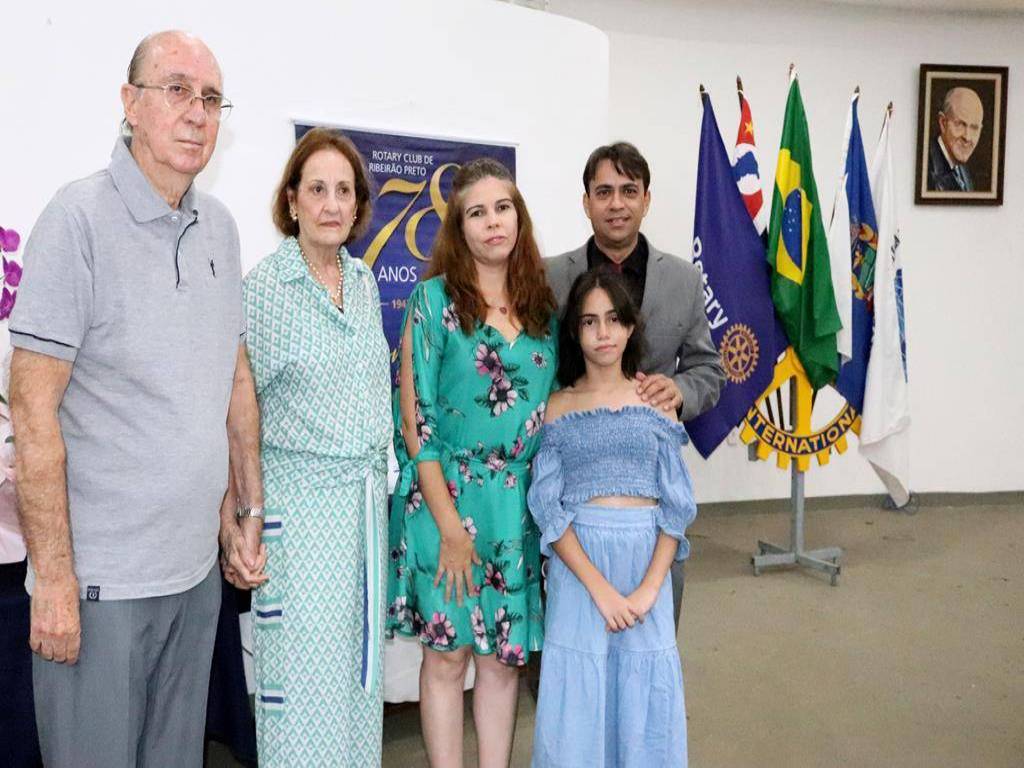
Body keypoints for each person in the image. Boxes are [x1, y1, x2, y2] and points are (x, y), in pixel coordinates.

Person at [8, 30, 265, 768]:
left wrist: (244, 511)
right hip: (101, 588)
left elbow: (229, 385)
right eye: (177, 90)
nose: (197, 113)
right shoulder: (77, 220)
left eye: (211, 98)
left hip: (194, 578)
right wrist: (54, 581)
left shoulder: (220, 229)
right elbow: (32, 412)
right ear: (130, 102)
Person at [387, 158, 557, 767]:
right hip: (444, 502)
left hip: (514, 509)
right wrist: (452, 530)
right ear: (459, 229)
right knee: (447, 656)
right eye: (477, 213)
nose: (493, 222)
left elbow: (560, 403)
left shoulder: (542, 309)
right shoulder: (432, 302)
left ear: (519, 217)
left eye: (502, 208)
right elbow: (417, 425)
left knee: (502, 660)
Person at [240, 127, 392, 766]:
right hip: (299, 520)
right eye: (318, 189)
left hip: (363, 516)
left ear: (358, 206)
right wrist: (242, 516)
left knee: (359, 687)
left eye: (344, 191)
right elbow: (237, 414)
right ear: (292, 200)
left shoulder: (363, 282)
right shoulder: (265, 289)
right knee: (304, 690)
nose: (332, 204)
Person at [545, 141, 723, 622]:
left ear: (647, 199)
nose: (616, 203)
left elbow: (709, 370)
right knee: (573, 622)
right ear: (586, 203)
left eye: (629, 190)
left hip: (651, 492)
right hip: (574, 487)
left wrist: (681, 391)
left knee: (654, 620)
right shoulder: (550, 277)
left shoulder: (684, 280)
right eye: (604, 192)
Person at [528, 268, 695, 767]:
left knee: (644, 697)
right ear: (574, 331)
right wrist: (599, 589)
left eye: (613, 319)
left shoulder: (656, 402)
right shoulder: (557, 406)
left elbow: (676, 508)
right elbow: (548, 509)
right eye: (589, 321)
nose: (603, 333)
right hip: (580, 573)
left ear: (630, 326)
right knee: (579, 701)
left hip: (645, 569)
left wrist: (649, 590)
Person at [927, 86, 984, 192]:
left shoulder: (962, 169)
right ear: (943, 123)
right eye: (960, 124)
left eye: (974, 127)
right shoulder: (927, 168)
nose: (967, 137)